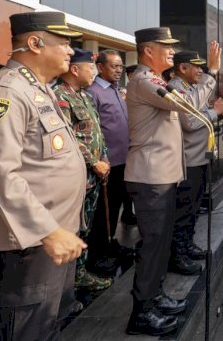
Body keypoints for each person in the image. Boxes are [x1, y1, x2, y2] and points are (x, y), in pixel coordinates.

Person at [0, 12, 87, 340]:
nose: (70, 51)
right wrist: (49, 231)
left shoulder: (37, 89)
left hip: (49, 240)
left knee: (42, 328)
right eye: (63, 42)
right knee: (23, 330)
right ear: (34, 43)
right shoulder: (3, 91)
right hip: (26, 243)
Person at [122, 27, 189, 335]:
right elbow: (183, 105)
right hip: (150, 178)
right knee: (152, 245)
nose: (172, 51)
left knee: (160, 244)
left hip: (161, 175)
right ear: (148, 51)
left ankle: (154, 295)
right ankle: (142, 311)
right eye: (166, 47)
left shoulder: (156, 80)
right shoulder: (145, 81)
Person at [167, 46, 223, 276]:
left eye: (202, 67)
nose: (201, 71)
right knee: (184, 209)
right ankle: (178, 255)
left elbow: (199, 110)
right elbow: (191, 122)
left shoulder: (191, 88)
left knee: (194, 207)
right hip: (187, 160)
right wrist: (214, 111)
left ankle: (187, 245)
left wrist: (216, 109)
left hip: (198, 159)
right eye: (196, 67)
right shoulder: (176, 88)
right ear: (182, 68)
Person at [53, 48, 113, 292]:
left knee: (85, 226)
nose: (94, 73)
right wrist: (92, 162)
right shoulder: (59, 96)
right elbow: (66, 136)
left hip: (95, 175)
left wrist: (105, 159)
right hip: (77, 175)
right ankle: (66, 283)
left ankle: (78, 274)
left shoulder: (85, 96)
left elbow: (96, 132)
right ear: (75, 69)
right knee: (72, 227)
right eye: (91, 68)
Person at [86, 49, 134, 277]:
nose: (118, 70)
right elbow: (94, 131)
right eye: (114, 66)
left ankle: (110, 241)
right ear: (100, 67)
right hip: (107, 163)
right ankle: (99, 253)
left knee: (115, 207)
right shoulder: (93, 92)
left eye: (120, 67)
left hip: (123, 161)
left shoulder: (116, 91)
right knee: (103, 211)